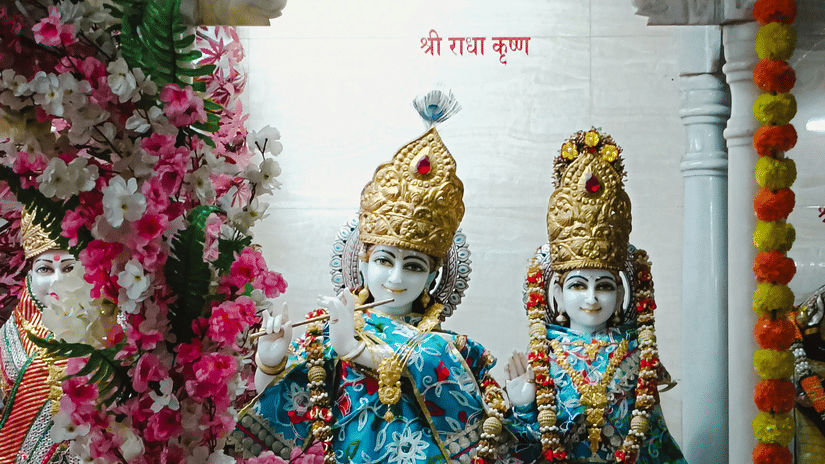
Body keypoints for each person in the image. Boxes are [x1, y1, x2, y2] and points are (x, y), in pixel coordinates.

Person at [235, 95, 509, 464]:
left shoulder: (450, 350)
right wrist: (270, 362)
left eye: (414, 266)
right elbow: (287, 416)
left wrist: (353, 349)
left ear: (433, 276)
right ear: (362, 263)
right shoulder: (324, 338)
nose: (396, 277)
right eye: (383, 260)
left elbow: (458, 396)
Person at [505, 129, 686, 464]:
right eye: (577, 286)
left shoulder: (637, 355)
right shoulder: (544, 358)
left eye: (603, 286)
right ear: (557, 294)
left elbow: (653, 443)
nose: (591, 298)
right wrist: (524, 406)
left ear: (621, 294)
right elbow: (527, 445)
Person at [0, 209, 78, 464]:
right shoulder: (6, 338)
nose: (57, 280)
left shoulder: (114, 333)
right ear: (30, 276)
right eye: (45, 269)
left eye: (69, 268)